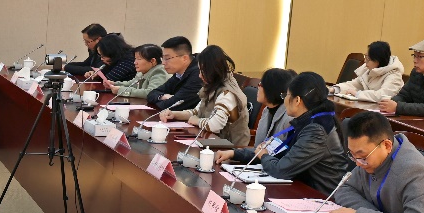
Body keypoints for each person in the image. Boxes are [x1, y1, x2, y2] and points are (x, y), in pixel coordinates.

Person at [219, 72, 350, 193]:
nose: (284, 100)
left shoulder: (316, 131)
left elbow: (281, 169)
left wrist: (264, 156)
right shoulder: (308, 121)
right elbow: (277, 152)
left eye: (286, 95)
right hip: (301, 186)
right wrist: (234, 153)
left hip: (320, 196)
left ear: (297, 100)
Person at [159, 45, 251, 147]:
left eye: (202, 71)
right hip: (213, 142)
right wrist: (174, 114)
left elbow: (215, 125)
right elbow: (197, 112)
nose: (199, 75)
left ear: (212, 70)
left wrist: (197, 121)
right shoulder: (213, 86)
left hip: (231, 148)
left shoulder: (227, 93)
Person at [334, 41, 404, 103]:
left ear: (378, 60)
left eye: (368, 59)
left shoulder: (394, 76)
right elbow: (354, 84)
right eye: (366, 57)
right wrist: (335, 89)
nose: (365, 61)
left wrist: (357, 94)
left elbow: (382, 95)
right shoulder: (370, 69)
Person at [146, 37, 202, 112]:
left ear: (184, 58)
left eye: (167, 58)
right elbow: (151, 94)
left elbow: (173, 105)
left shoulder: (199, 74)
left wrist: (166, 100)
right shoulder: (179, 73)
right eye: (163, 58)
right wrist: (162, 96)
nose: (163, 63)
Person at [102, 44, 167, 99]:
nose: (135, 62)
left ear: (152, 61)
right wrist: (114, 84)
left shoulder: (159, 72)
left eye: (139, 59)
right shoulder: (143, 71)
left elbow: (151, 93)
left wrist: (121, 90)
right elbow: (132, 84)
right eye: (135, 59)